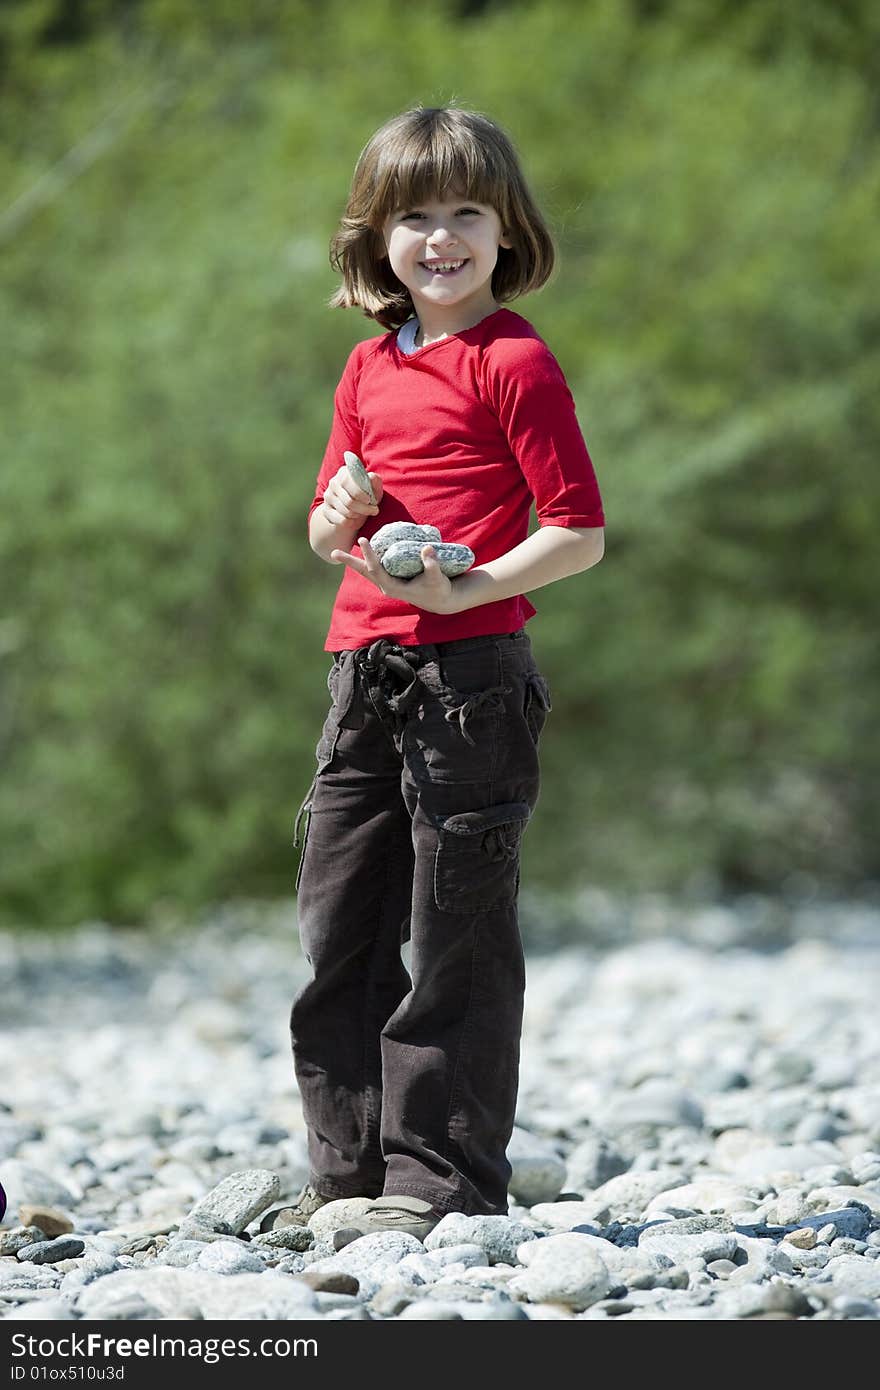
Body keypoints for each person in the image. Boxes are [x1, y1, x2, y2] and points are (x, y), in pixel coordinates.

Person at [282, 105, 605, 1242]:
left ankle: (441, 1178)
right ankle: (350, 1172)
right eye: (414, 215)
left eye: (466, 211)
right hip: (361, 668)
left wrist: (466, 591)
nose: (440, 238)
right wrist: (337, 517)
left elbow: (576, 532)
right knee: (340, 925)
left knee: (455, 932)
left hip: (469, 675)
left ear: (506, 229)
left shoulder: (513, 359)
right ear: (374, 238)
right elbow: (331, 528)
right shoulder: (368, 366)